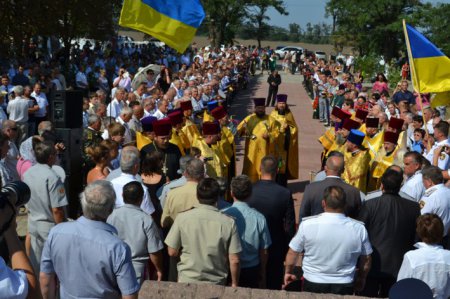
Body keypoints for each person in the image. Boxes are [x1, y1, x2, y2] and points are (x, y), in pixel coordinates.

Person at [40, 180, 140, 299]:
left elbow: (45, 279)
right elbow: (129, 295)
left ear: (83, 204)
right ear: (110, 210)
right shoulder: (118, 248)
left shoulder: (56, 232)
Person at [284, 186, 372, 295]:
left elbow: (293, 252)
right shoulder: (359, 229)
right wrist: (361, 278)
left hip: (313, 281)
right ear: (344, 205)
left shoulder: (307, 225)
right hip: (344, 283)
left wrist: (288, 272)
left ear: (323, 203)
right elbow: (366, 259)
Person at [165, 178, 242, 286]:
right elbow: (234, 259)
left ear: (197, 196)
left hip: (187, 280)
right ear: (217, 197)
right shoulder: (229, 222)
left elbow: (172, 251)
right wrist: (234, 283)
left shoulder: (182, 218)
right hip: (216, 282)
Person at [358, 169, 420, 297]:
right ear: (400, 186)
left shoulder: (370, 204)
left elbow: (359, 235)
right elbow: (416, 238)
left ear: (382, 185)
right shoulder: (413, 207)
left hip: (372, 265)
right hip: (398, 266)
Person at [248, 155, 296, 290]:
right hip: (276, 245)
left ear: (259, 168)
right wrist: (287, 249)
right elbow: (289, 225)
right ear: (277, 171)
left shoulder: (250, 189)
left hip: (252, 244)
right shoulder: (285, 193)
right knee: (273, 283)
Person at [23, 141, 68, 275]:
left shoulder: (28, 173)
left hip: (33, 222)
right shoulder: (53, 177)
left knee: (36, 265)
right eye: (55, 154)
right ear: (50, 157)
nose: (56, 157)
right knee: (54, 269)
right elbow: (57, 210)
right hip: (49, 226)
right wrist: (63, 230)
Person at [107, 181, 164, 285]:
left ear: (122, 195)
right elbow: (154, 251)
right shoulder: (146, 219)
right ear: (142, 198)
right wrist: (159, 269)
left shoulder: (111, 216)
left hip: (114, 268)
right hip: (137, 271)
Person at [222, 175, 271, 288]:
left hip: (228, 269)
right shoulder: (259, 218)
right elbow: (264, 251)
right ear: (250, 194)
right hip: (251, 270)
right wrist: (262, 272)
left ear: (231, 193)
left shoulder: (222, 214)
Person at [397, 214, 450, 299]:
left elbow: (401, 286)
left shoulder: (411, 257)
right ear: (441, 232)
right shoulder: (448, 256)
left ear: (419, 232)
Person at [300, 152, 361, 220]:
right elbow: (358, 217)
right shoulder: (353, 191)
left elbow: (303, 215)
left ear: (325, 168)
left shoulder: (311, 188)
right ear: (343, 170)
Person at [237, 98, 278, 182]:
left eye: (262, 107)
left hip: (265, 150)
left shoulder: (271, 119)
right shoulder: (249, 118)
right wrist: (243, 130)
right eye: (258, 108)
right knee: (250, 169)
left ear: (264, 108)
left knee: (263, 168)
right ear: (255, 108)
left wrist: (269, 135)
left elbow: (276, 133)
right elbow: (239, 130)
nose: (260, 109)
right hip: (251, 152)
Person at [161, 158, 204, 229]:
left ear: (185, 173)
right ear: (203, 174)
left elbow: (164, 222)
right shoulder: (208, 193)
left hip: (177, 236)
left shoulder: (172, 193)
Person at [269, 94, 299, 186]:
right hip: (275, 145)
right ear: (277, 104)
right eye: (280, 103)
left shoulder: (289, 114)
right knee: (274, 165)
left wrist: (288, 129)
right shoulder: (272, 114)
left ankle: (282, 185)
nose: (281, 105)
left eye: (283, 103)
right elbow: (269, 128)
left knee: (283, 166)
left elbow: (295, 128)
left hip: (285, 146)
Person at [420, 165, 450, 245]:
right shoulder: (448, 191)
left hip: (430, 240)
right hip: (446, 238)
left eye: (423, 181)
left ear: (429, 181)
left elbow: (420, 218)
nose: (423, 184)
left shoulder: (429, 197)